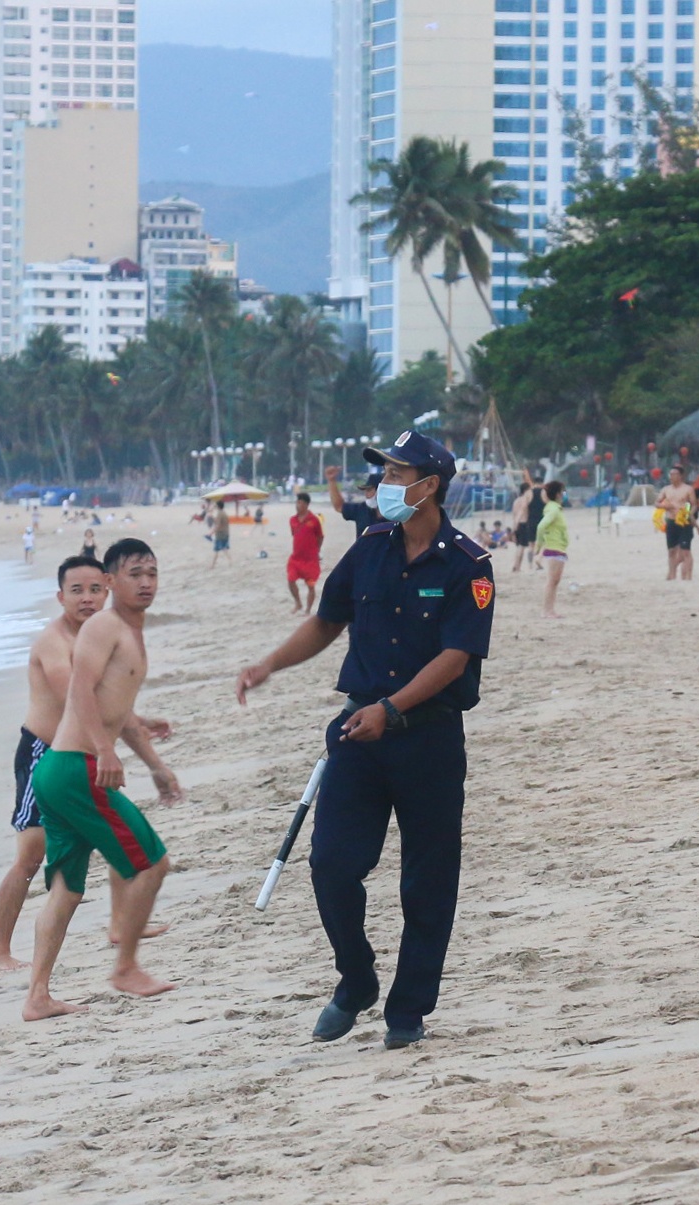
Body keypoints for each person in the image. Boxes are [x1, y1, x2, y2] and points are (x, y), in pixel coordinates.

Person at [235, 432, 495, 1051]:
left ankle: (408, 1009)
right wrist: (270, 664)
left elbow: (456, 658)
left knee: (427, 881)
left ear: (428, 486)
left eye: (395, 472)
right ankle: (355, 981)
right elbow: (328, 620)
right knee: (331, 864)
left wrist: (393, 707)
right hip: (357, 734)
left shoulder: (468, 564)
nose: (382, 483)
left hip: (427, 739)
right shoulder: (370, 546)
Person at [0, 555, 182, 973]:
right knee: (30, 855)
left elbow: (105, 700)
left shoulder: (101, 637)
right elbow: (79, 696)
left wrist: (139, 724)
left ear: (108, 589)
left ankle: (119, 925)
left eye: (96, 589)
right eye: (77, 591)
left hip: (82, 760)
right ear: (60, 596)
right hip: (44, 754)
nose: (88, 598)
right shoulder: (54, 643)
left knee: (112, 831)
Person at [288, 491, 325, 614]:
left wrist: (317, 550)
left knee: (310, 585)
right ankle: (298, 603)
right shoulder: (292, 520)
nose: (297, 505)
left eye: (300, 502)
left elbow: (320, 537)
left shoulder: (314, 520)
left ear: (306, 504)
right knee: (291, 580)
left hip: (310, 560)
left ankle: (308, 610)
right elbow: (294, 535)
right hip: (296, 558)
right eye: (297, 502)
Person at [657, 466, 697, 580]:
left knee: (685, 550)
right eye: (670, 474)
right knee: (671, 550)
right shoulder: (666, 489)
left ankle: (688, 576)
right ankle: (672, 574)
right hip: (670, 520)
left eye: (674, 474)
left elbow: (693, 504)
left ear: (680, 476)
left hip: (683, 521)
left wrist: (689, 512)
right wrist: (664, 505)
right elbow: (657, 502)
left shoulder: (688, 489)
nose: (672, 477)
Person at [535, 481, 568, 618]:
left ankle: (550, 610)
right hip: (554, 548)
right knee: (551, 581)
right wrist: (538, 546)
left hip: (559, 548)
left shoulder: (555, 508)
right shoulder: (553, 509)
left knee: (555, 581)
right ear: (558, 494)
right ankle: (546, 611)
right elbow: (541, 526)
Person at [326, 465, 381, 536]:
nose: (366, 494)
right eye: (365, 490)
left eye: (369, 490)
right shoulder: (362, 509)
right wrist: (331, 480)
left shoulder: (394, 514)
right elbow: (339, 506)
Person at [509, 482, 537, 572]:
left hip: (517, 524)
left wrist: (514, 527)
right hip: (524, 524)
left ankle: (517, 565)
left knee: (519, 547)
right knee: (523, 547)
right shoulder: (525, 500)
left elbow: (514, 514)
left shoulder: (516, 501)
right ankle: (519, 565)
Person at [208, 502, 232, 567]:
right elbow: (220, 522)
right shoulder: (224, 513)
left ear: (218, 507)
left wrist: (211, 533)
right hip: (225, 533)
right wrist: (212, 517)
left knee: (216, 550)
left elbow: (217, 525)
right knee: (224, 548)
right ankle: (230, 561)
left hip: (220, 534)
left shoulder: (219, 514)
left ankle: (212, 565)